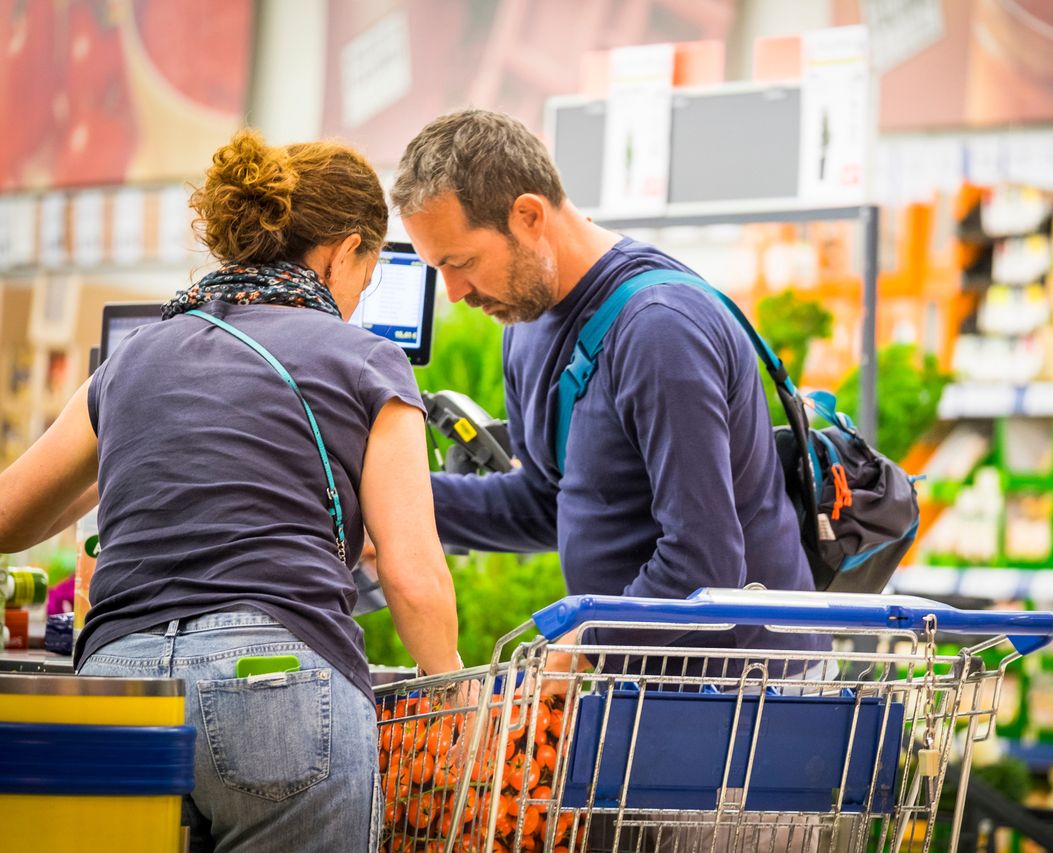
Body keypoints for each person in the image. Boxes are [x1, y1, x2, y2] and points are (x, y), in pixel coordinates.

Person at [0, 129, 460, 853]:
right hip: (275, 680)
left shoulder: (135, 356)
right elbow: (413, 572)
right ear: (345, 251)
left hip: (117, 687)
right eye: (363, 280)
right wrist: (453, 697)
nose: (355, 300)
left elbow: (8, 515)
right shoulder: (368, 358)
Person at [391, 109, 827, 664]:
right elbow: (551, 503)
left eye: (463, 262)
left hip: (740, 694)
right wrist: (392, 498)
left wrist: (585, 646)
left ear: (527, 215)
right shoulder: (524, 320)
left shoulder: (661, 330)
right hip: (645, 682)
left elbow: (706, 564)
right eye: (439, 269)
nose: (454, 292)